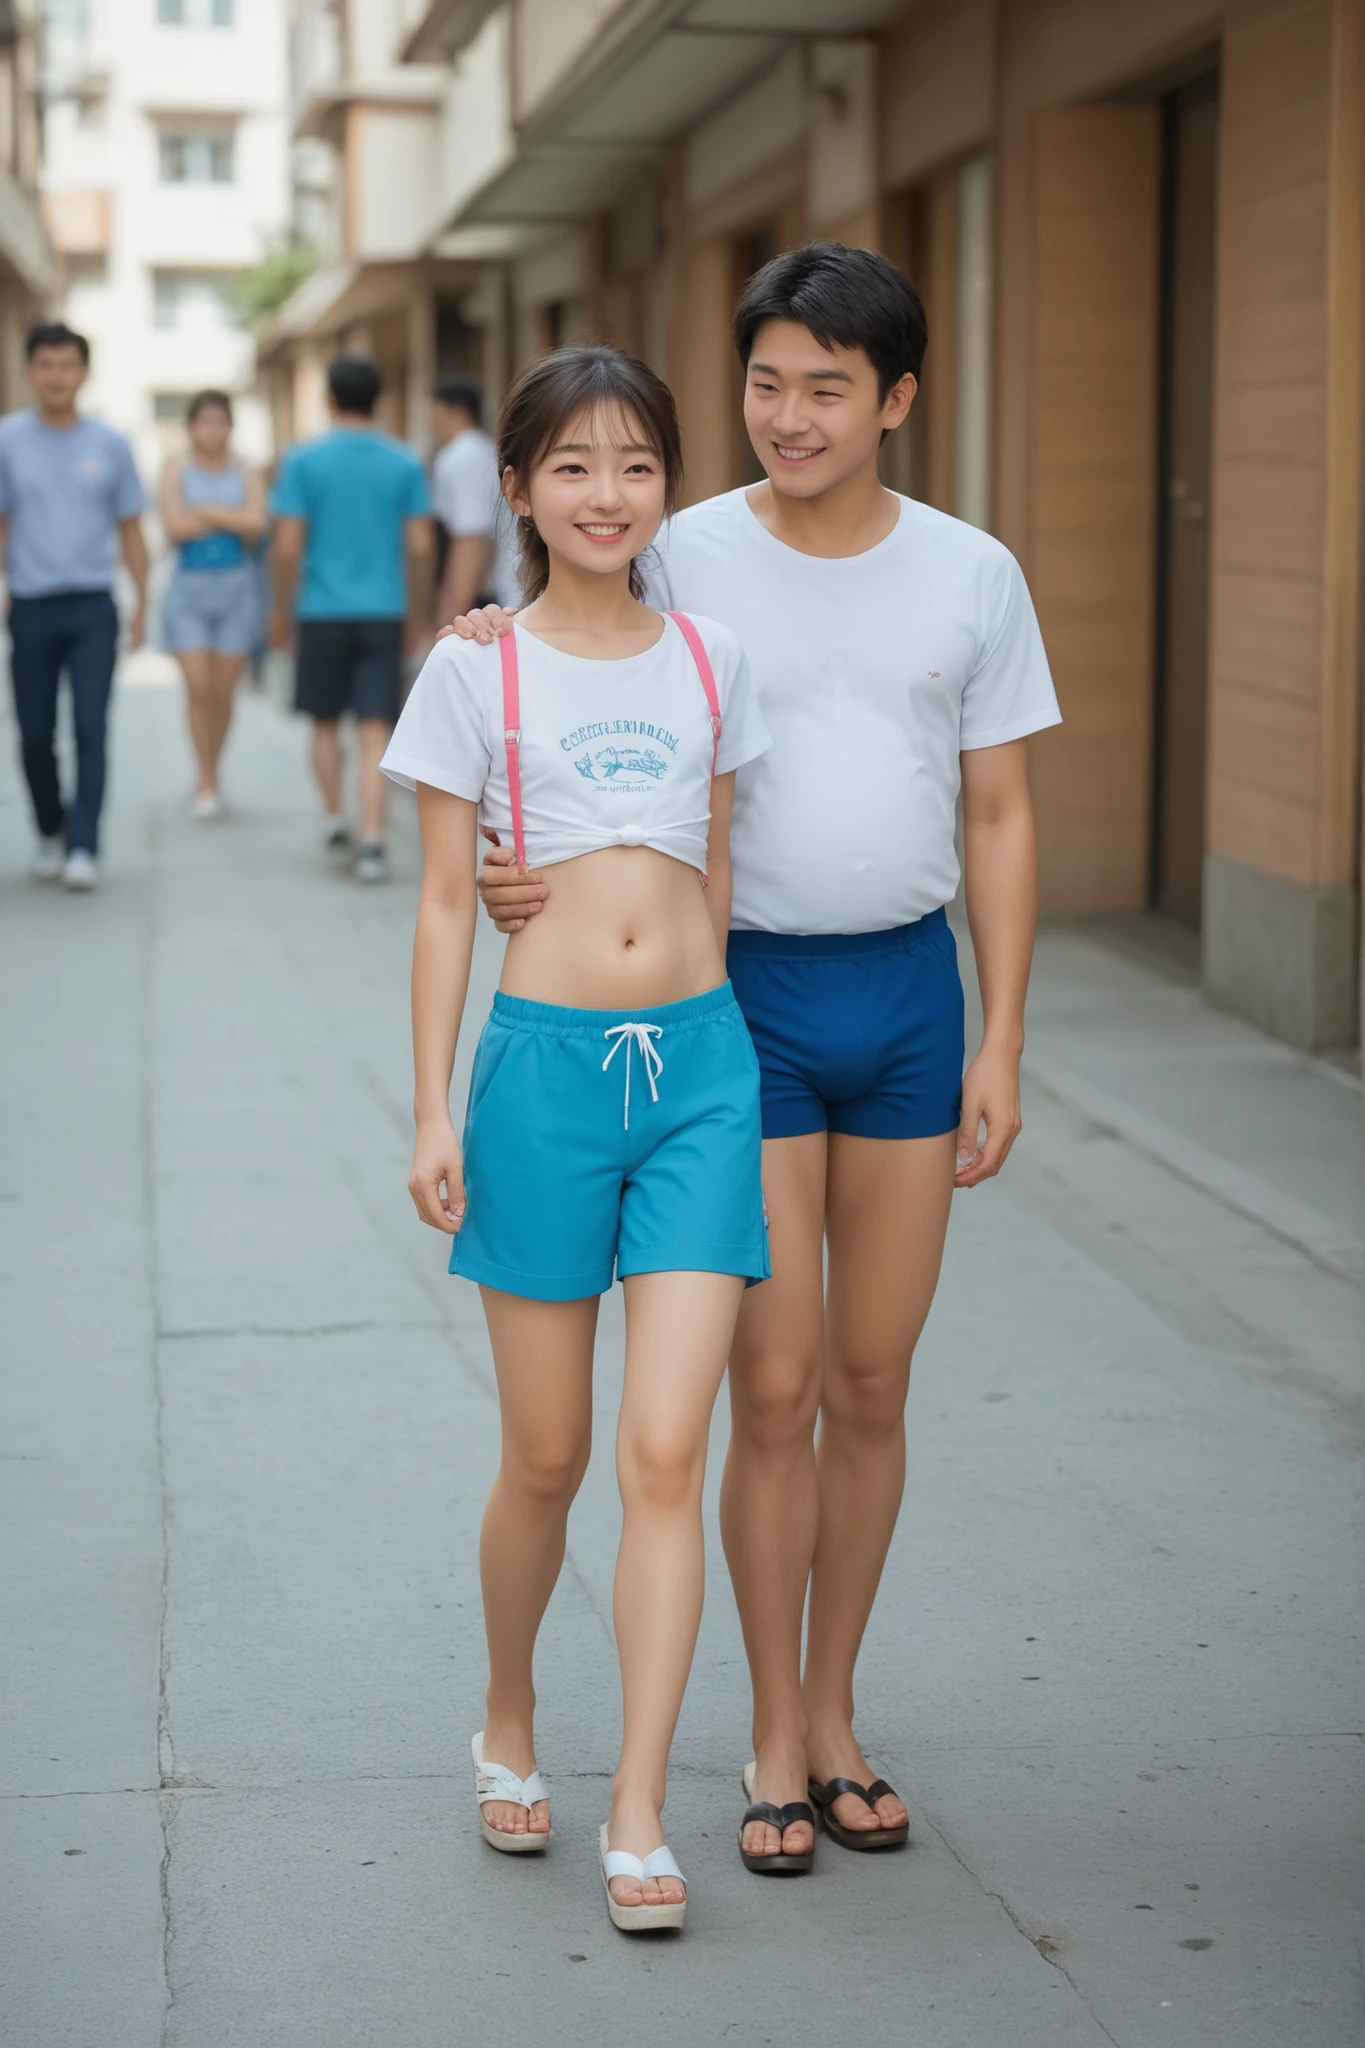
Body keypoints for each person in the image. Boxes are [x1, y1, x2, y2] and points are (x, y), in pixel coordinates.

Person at [453, 244, 1061, 1874]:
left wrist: (1002, 1027)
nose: (789, 415)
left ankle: (836, 1702)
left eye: (827, 388)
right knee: (772, 1386)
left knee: (872, 1379)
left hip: (912, 1000)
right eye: (767, 382)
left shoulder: (970, 572)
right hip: (747, 1013)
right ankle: (769, 1728)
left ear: (899, 399)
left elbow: (999, 811)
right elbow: (555, 672)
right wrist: (518, 855)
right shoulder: (683, 544)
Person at [383, 346, 771, 1933]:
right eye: (573, 468)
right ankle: (510, 1716)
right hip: (541, 1079)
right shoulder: (477, 669)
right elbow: (434, 901)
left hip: (699, 1075)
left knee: (667, 1452)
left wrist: (710, 1025)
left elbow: (720, 869)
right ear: (522, 488)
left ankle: (636, 1811)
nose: (606, 495)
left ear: (664, 484)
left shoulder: (712, 655)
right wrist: (429, 1104)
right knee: (545, 1459)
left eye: (635, 466)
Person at [269, 354, 433, 883]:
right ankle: (374, 841)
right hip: (383, 610)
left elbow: (289, 546)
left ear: (330, 399)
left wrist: (281, 608)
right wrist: (418, 610)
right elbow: (421, 544)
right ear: (379, 399)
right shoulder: (404, 461)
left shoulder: (303, 461)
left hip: (320, 610)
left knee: (322, 722)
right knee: (373, 728)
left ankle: (335, 816)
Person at [0, 320, 147, 891]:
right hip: (31, 605)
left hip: (93, 606)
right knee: (35, 732)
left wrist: (139, 604)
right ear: (29, 371)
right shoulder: (8, 439)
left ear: (83, 372)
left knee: (90, 726)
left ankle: (84, 844)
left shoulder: (110, 444)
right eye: (46, 365)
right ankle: (49, 828)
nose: (57, 376)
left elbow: (132, 528)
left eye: (67, 365)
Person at [159, 389, 267, 818]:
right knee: (198, 686)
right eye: (205, 422)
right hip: (188, 591)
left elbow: (256, 524)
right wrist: (229, 516)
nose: (213, 430)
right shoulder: (175, 467)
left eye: (221, 422)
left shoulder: (247, 469)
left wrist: (203, 511)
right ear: (191, 426)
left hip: (237, 591)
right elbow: (172, 527)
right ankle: (204, 778)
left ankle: (214, 771)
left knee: (223, 691)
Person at [428, 372, 520, 624]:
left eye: (433, 411)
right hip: (505, 586)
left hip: (496, 596)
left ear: (453, 410)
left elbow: (472, 537)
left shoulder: (461, 457)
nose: (431, 421)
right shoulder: (483, 450)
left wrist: (453, 617)